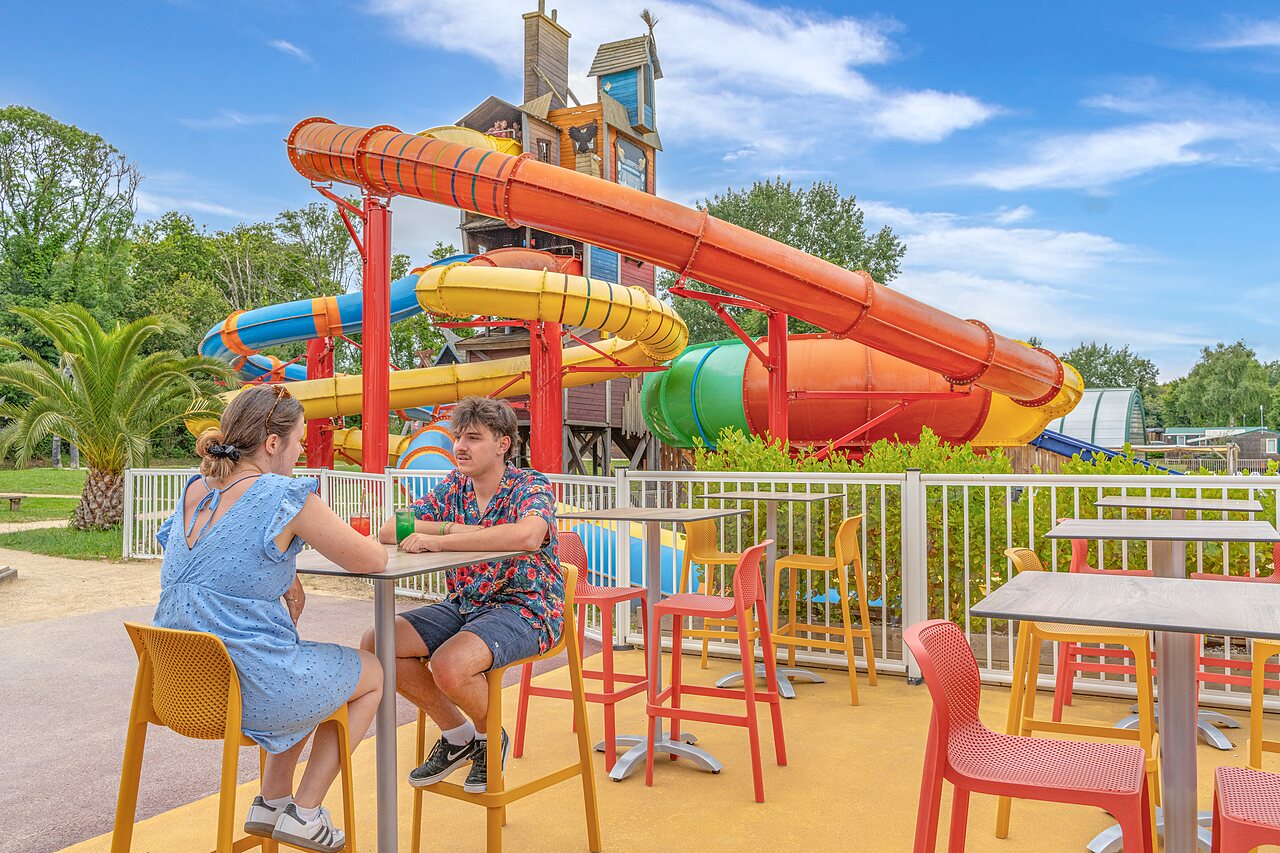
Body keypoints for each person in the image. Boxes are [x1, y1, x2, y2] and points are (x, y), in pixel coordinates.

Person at [153, 384, 388, 852]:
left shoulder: (195, 489)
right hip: (244, 690)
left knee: (296, 662)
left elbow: (216, 565)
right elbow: (372, 560)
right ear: (272, 443)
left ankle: (272, 802)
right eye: (299, 438)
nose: (303, 449)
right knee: (373, 672)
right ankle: (305, 812)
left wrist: (282, 570)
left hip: (179, 689)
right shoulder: (283, 495)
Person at [366, 396, 562, 794]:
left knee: (449, 665)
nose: (459, 446)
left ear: (503, 444)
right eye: (458, 437)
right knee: (378, 642)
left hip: (527, 608)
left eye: (473, 438)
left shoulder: (529, 484)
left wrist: (443, 538)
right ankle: (458, 734)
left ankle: (492, 737)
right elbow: (390, 530)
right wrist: (455, 531)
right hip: (467, 603)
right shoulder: (454, 486)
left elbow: (528, 534)